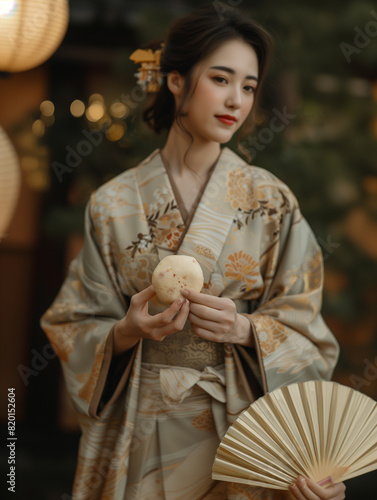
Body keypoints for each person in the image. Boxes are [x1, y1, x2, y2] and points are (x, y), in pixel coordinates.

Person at [41, 4, 346, 500]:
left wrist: (245, 329)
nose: (236, 101)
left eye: (248, 87)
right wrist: (125, 331)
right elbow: (72, 322)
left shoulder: (271, 201)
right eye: (221, 79)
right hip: (143, 422)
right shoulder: (114, 203)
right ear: (177, 80)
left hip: (242, 429)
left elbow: (309, 333)